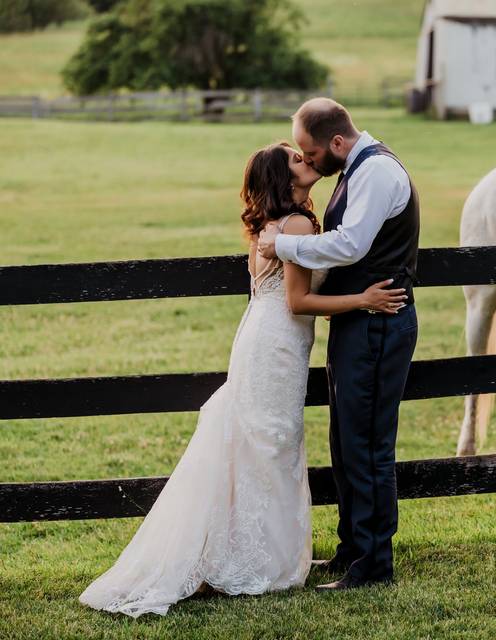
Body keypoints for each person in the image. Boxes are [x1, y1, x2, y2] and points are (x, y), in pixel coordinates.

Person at [78, 142, 407, 618]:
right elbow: (298, 302)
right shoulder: (293, 225)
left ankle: (251, 552)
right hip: (276, 345)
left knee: (259, 442)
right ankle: (261, 560)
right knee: (272, 442)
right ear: (284, 179)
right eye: (297, 160)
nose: (308, 162)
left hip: (262, 338)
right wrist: (364, 301)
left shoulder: (276, 226)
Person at [258, 97, 420, 590]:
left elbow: (351, 245)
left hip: (378, 320)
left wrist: (282, 245)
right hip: (359, 320)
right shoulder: (355, 168)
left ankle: (373, 566)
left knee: (368, 444)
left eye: (309, 153)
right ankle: (353, 548)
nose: (307, 162)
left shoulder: (377, 173)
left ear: (336, 142)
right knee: (347, 440)